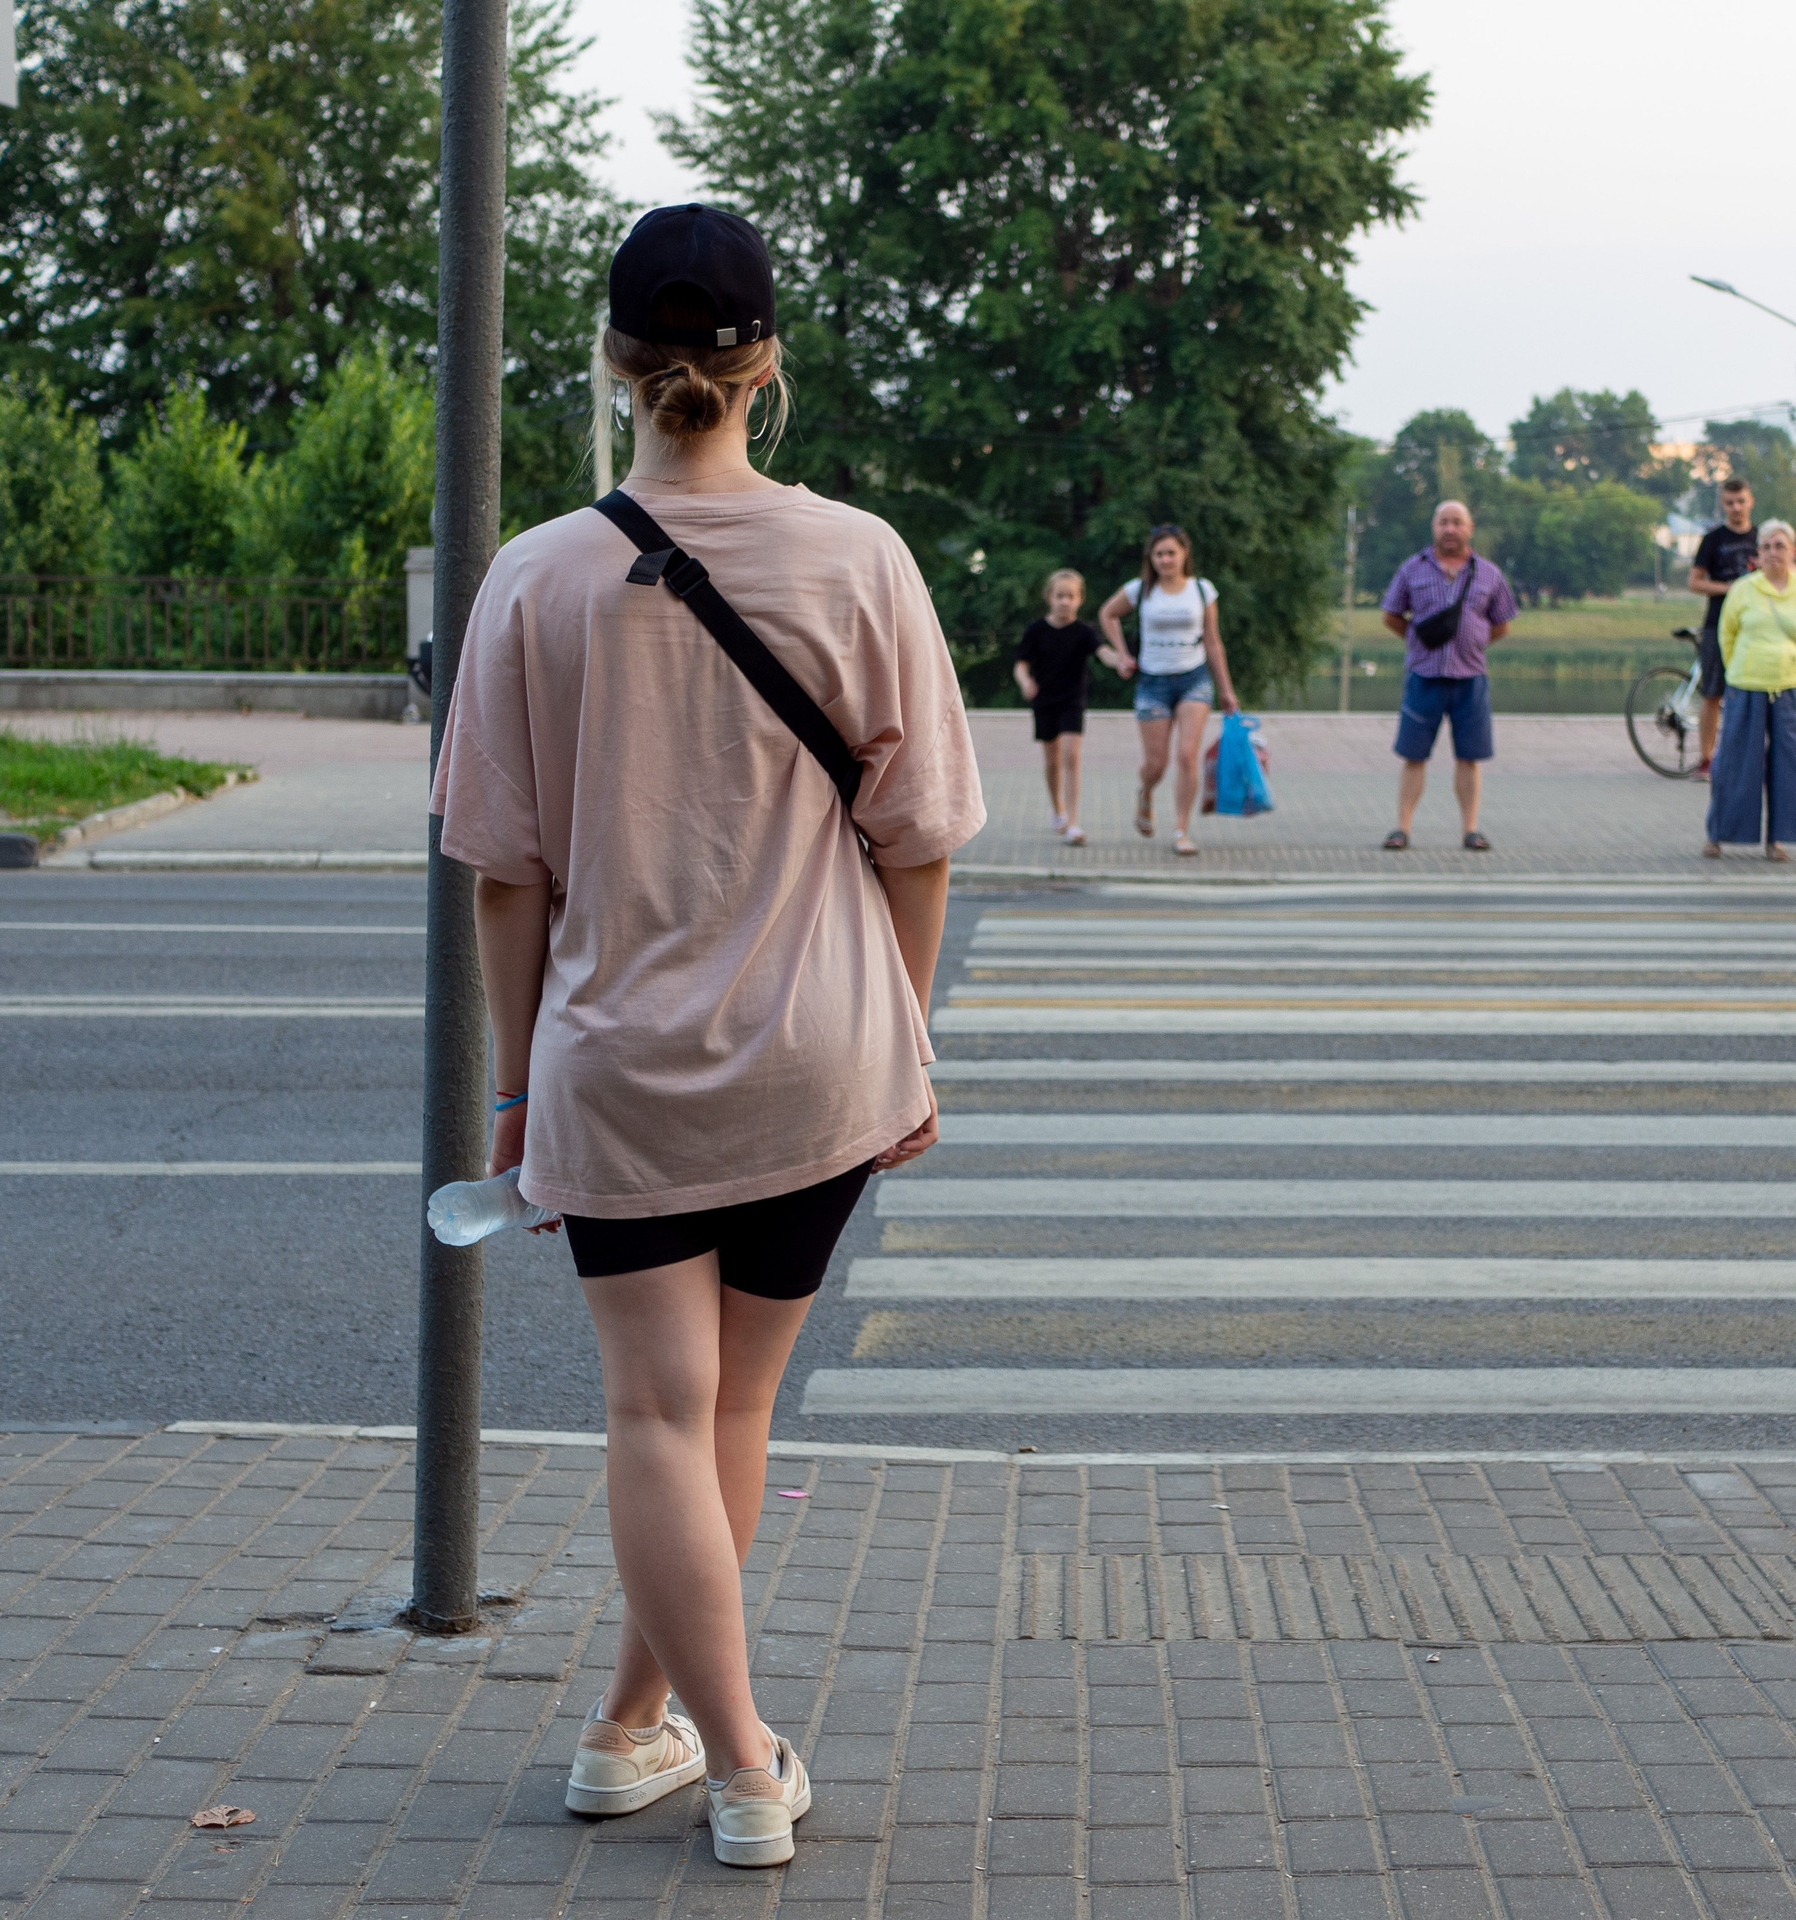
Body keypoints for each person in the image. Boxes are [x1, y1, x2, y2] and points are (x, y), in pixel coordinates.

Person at [430, 204, 985, 1868]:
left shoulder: (535, 578)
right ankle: (660, 1737)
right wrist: (906, 1045)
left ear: (613, 364)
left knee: (659, 1418)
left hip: (625, 1067)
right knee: (728, 1418)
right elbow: (923, 838)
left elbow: (503, 885)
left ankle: (707, 1750)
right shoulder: (861, 557)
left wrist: (522, 1091)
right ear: (767, 365)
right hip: (820, 1056)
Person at [1378, 499, 1516, 851]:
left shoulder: (1489, 573)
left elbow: (1501, 624)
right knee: (1414, 755)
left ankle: (1470, 829)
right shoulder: (1413, 569)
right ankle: (1402, 828)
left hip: (1470, 678)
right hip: (1424, 676)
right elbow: (1392, 615)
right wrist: (1417, 640)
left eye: (1457, 522)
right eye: (1443, 522)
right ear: (1434, 528)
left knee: (1469, 757)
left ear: (1469, 529)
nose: (1450, 529)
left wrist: (1475, 641)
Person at [1098, 524, 1239, 856]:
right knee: (1156, 763)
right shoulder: (1141, 589)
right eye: (1159, 554)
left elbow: (1213, 642)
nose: (1165, 560)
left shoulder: (1202, 590)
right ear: (1152, 557)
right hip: (1153, 682)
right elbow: (1108, 614)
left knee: (1187, 755)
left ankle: (1181, 829)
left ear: (1184, 554)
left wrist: (1227, 690)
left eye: (1171, 553)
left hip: (1194, 678)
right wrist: (1122, 654)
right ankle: (1145, 791)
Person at [1704, 517, 1796, 862]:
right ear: (1757, 553)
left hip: (1792, 688)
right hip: (1746, 685)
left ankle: (1779, 839)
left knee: (1793, 767)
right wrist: (1739, 669)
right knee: (1734, 763)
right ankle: (1719, 834)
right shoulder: (1743, 589)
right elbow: (1726, 635)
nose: (1772, 553)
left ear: (1792, 551)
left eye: (1779, 546)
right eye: (1766, 547)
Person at [1012, 569, 1127, 845]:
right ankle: (1058, 809)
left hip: (1072, 702)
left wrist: (1120, 661)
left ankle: (1074, 822)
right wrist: (1025, 682)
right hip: (1044, 702)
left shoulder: (1084, 632)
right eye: (1060, 596)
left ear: (1079, 599)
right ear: (1049, 597)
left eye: (1071, 596)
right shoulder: (1036, 630)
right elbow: (1021, 664)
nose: (1065, 601)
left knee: (1071, 757)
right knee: (1052, 761)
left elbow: (1103, 653)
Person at [1683, 476, 1760, 777]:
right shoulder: (1713, 540)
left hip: (1754, 626)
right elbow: (1694, 582)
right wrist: (1729, 589)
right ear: (1722, 504)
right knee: (1712, 693)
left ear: (1750, 501)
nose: (1736, 508)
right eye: (1729, 503)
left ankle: (1749, 757)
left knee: (1753, 691)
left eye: (1741, 501)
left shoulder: (1761, 537)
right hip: (1718, 623)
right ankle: (1706, 759)